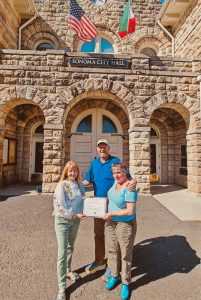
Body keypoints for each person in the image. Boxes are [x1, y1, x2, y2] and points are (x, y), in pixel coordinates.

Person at [83, 139, 136, 280]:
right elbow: (87, 180)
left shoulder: (116, 160)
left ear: (108, 148)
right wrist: (72, 184)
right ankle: (100, 261)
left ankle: (113, 267)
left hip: (114, 205)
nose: (102, 149)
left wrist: (134, 182)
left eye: (104, 147)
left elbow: (128, 177)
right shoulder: (94, 163)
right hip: (98, 206)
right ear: (97, 149)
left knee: (116, 237)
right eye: (99, 147)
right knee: (99, 234)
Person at [103, 162, 138, 300]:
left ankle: (125, 282)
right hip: (111, 223)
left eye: (118, 172)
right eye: (114, 173)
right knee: (112, 250)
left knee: (125, 254)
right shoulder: (115, 183)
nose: (116, 175)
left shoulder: (129, 187)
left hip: (125, 224)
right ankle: (114, 275)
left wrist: (111, 214)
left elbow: (130, 210)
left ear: (125, 172)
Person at [53, 161, 86, 300]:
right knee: (62, 252)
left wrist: (88, 205)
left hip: (75, 221)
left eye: (75, 171)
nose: (73, 173)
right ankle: (61, 287)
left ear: (78, 172)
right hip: (63, 221)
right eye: (70, 171)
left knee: (70, 247)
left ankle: (67, 271)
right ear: (66, 172)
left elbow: (83, 200)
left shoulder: (79, 185)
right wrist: (74, 214)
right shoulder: (62, 185)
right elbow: (59, 205)